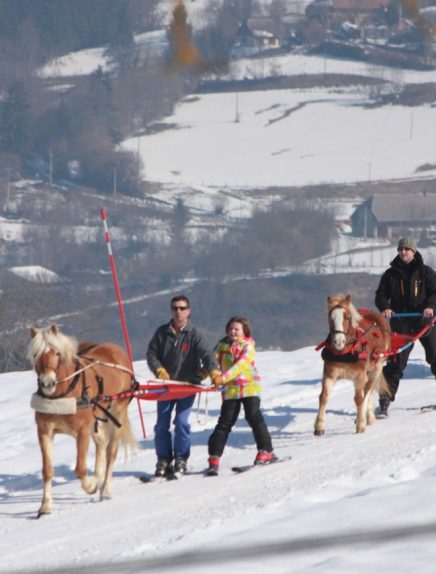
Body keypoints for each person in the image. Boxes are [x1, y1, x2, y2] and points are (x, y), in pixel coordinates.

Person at [146, 295, 220, 477]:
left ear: (189, 311)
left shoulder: (194, 334)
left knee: (181, 422)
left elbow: (207, 355)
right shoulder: (162, 332)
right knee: (161, 425)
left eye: (182, 308)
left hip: (187, 386)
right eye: (175, 308)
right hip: (165, 386)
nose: (178, 311)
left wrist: (214, 373)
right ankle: (163, 459)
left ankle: (181, 458)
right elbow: (151, 354)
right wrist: (160, 371)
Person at [207, 316, 276, 474]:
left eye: (236, 329)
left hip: (249, 386)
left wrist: (221, 378)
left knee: (254, 417)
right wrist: (201, 376)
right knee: (225, 422)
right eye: (231, 329)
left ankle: (265, 451)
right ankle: (214, 456)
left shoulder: (248, 346)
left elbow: (240, 366)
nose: (233, 332)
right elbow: (211, 363)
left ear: (244, 331)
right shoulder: (222, 346)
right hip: (231, 390)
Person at [375, 236, 436, 416]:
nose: (403, 252)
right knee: (395, 363)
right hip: (401, 324)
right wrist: (385, 308)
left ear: (414, 252)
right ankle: (385, 400)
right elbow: (380, 295)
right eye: (401, 250)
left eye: (407, 250)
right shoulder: (390, 274)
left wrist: (431, 307)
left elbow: (435, 292)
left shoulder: (425, 273)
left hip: (424, 323)